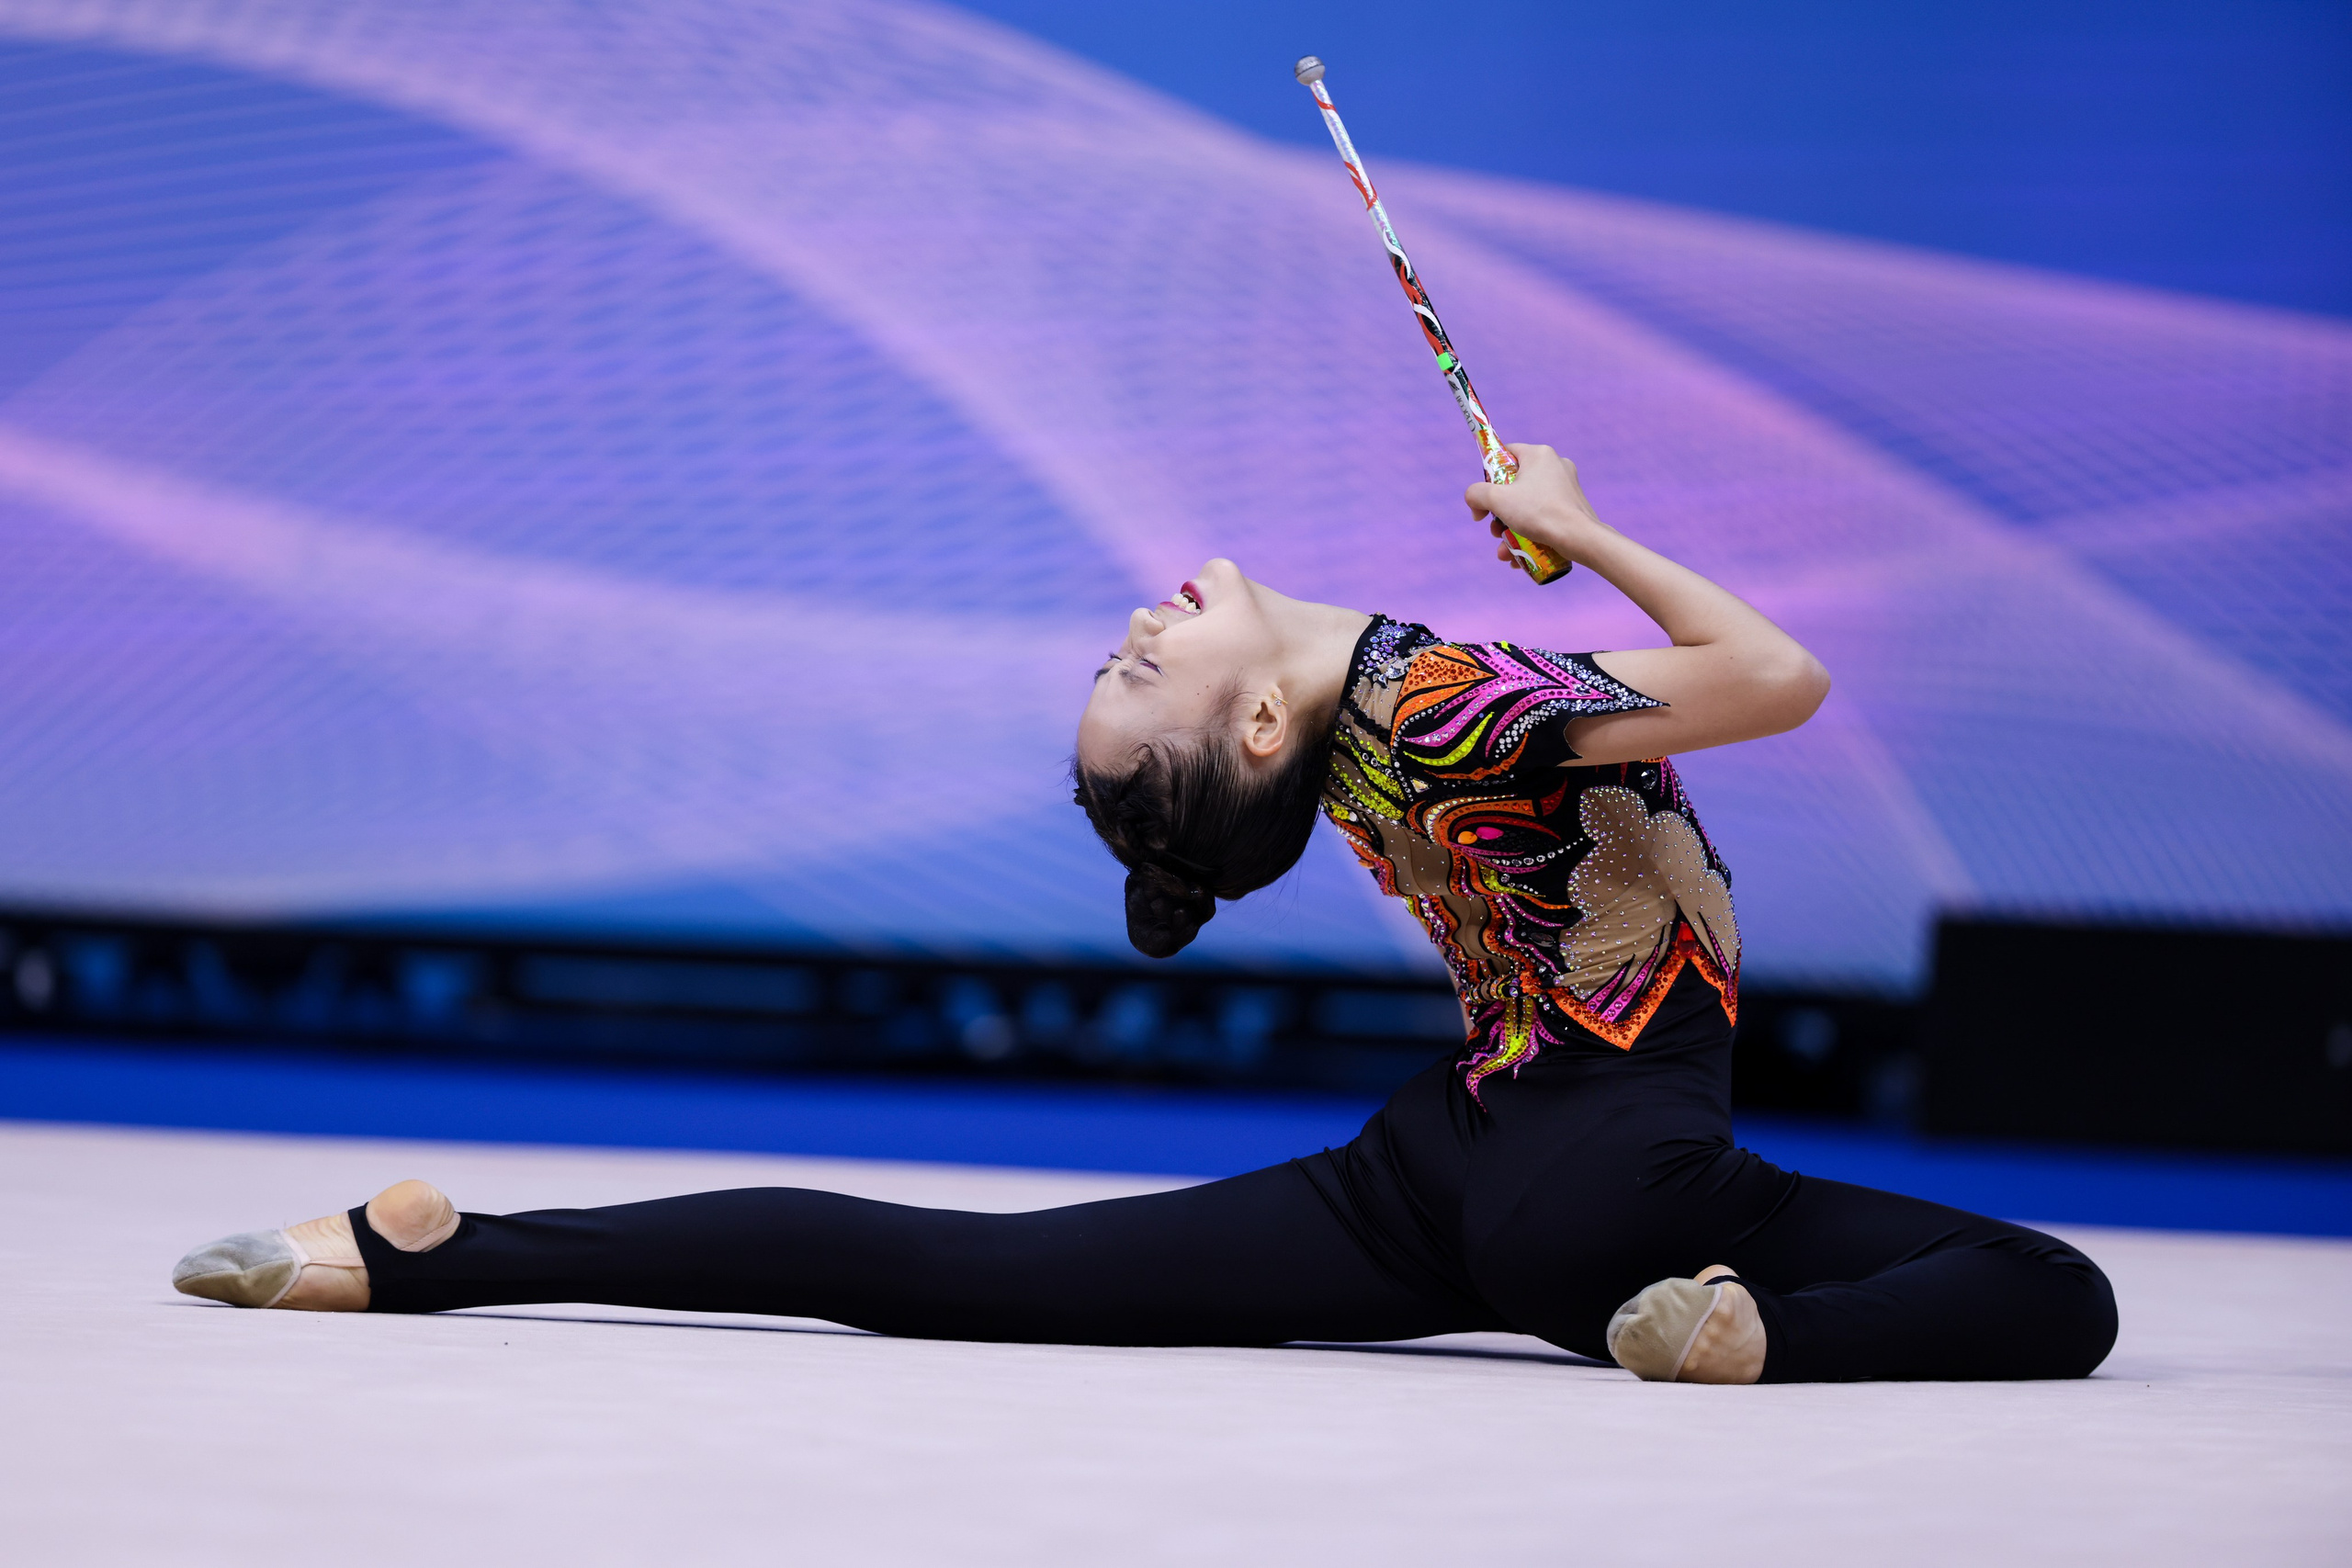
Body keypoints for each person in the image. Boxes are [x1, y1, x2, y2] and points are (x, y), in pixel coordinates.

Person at [173, 445, 2117, 1383]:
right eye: (1145, 666)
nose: (1138, 623)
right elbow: (1773, 677)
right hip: (1608, 1180)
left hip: (1442, 1175)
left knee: (961, 1268)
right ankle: (1743, 1327)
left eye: (1122, 652)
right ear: (1259, 724)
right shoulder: (1435, 699)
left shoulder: (1383, 720)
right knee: (2054, 1287)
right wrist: (1581, 522)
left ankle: (444, 1251)